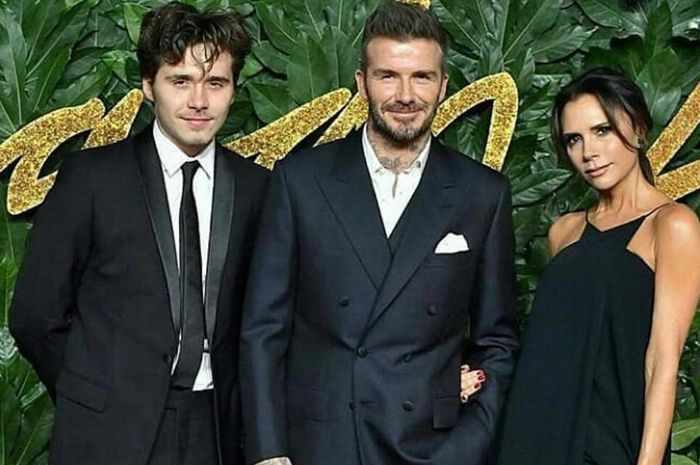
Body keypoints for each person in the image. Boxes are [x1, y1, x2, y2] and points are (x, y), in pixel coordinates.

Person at [239, 2, 519, 465]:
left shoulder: (482, 193)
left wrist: (467, 446)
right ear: (362, 82)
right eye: (388, 76)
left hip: (433, 446)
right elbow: (263, 330)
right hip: (321, 444)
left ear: (443, 85)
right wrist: (269, 452)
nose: (405, 95)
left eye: (422, 77)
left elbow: (498, 341)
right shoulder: (300, 180)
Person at [9, 3, 269, 465]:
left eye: (215, 83)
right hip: (107, 431)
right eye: (180, 81)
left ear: (233, 90)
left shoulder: (256, 188)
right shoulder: (91, 179)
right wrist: (90, 392)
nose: (198, 101)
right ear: (149, 85)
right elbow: (35, 314)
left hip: (218, 431)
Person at [496, 67, 700, 465]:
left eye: (602, 130)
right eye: (574, 139)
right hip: (532, 435)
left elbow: (662, 360)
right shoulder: (565, 231)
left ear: (638, 127)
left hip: (610, 443)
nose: (588, 152)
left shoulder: (672, 225)